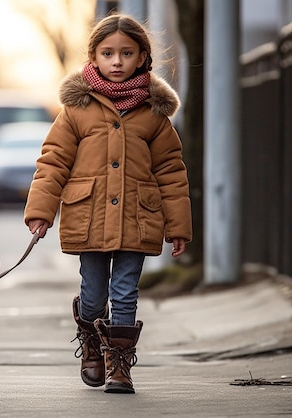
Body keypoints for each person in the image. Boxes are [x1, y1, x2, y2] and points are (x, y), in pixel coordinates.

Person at [24, 13, 192, 394]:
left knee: (125, 291)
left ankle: (119, 364)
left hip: (139, 216)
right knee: (94, 292)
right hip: (89, 216)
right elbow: (53, 161)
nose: (117, 62)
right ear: (94, 57)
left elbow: (171, 170)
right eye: (108, 53)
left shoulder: (154, 114)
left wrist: (178, 225)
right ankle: (91, 345)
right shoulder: (76, 111)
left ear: (142, 58)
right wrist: (41, 212)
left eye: (126, 53)